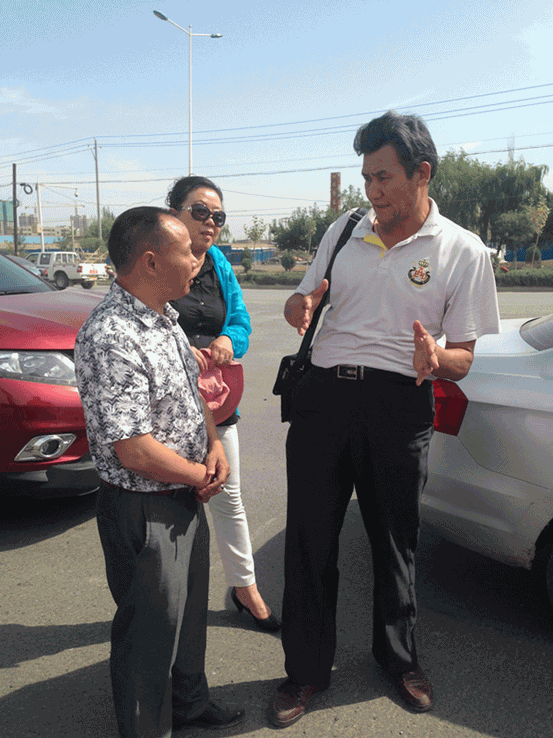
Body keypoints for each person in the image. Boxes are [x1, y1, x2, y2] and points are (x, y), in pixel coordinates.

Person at [268, 111, 501, 728]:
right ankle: (304, 671)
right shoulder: (344, 229)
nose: (372, 191)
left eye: (384, 178)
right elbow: (304, 296)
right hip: (323, 400)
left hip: (400, 405)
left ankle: (398, 660)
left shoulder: (462, 250)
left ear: (422, 173)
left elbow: (464, 358)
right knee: (310, 539)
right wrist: (298, 303)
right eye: (367, 178)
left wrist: (437, 358)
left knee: (395, 542)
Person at [74, 206, 246, 738]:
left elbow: (192, 398)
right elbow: (133, 449)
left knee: (187, 616)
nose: (197, 261)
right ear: (151, 262)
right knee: (148, 636)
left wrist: (214, 446)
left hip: (184, 493)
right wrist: (200, 475)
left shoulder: (165, 318)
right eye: (187, 252)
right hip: (144, 506)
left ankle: (189, 703)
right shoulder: (111, 335)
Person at [166, 175, 280, 632]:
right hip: (166, 408)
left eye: (218, 216)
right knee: (172, 503)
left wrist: (230, 340)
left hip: (216, 403)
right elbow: (144, 320)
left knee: (227, 495)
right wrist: (181, 348)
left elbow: (240, 319)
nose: (210, 222)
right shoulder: (156, 259)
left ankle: (244, 587)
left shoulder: (218, 265)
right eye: (199, 211)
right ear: (173, 212)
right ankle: (168, 600)